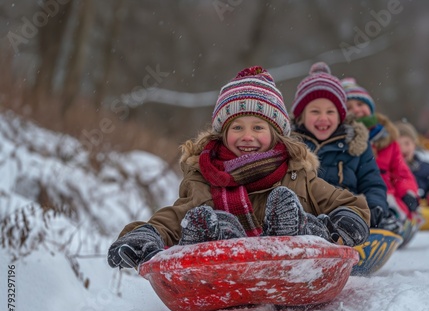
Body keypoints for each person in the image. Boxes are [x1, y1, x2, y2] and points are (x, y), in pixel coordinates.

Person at [107, 66, 370, 269]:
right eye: (237, 127)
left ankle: (298, 229)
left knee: (302, 218)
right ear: (222, 133)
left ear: (276, 134)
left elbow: (346, 202)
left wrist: (348, 218)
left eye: (258, 127)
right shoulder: (206, 177)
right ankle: (216, 237)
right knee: (204, 221)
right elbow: (176, 217)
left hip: (296, 263)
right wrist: (146, 234)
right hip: (229, 267)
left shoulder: (296, 174)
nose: (247, 136)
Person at [290, 62, 400, 233]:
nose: (323, 118)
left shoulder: (355, 144)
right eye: (315, 112)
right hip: (302, 216)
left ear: (341, 116)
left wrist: (375, 207)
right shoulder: (291, 146)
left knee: (349, 216)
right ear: (301, 116)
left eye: (330, 112)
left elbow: (372, 182)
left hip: (344, 214)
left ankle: (349, 232)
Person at [341, 77, 420, 225]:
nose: (356, 110)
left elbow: (401, 173)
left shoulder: (387, 140)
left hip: (388, 197)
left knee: (392, 208)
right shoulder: (342, 141)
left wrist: (407, 193)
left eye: (360, 104)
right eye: (349, 107)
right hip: (355, 199)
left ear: (370, 107)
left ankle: (395, 222)